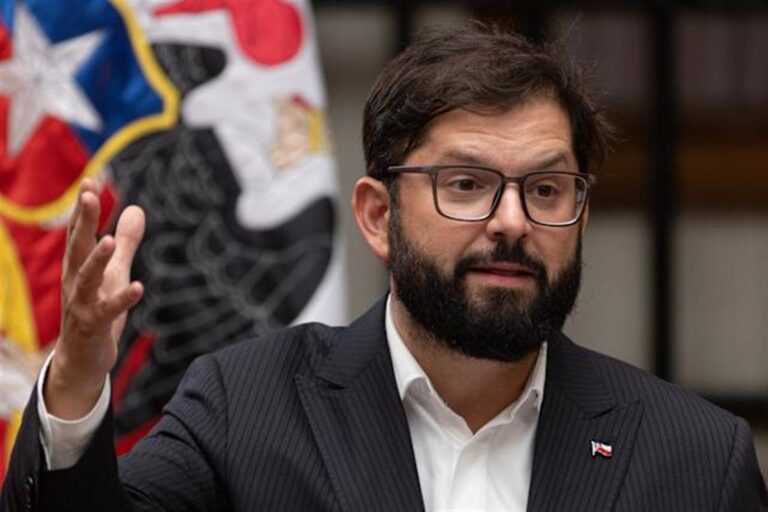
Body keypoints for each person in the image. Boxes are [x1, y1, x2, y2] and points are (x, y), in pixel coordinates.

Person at [2, 23, 766, 512]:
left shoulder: (694, 457)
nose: (512, 221)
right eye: (465, 184)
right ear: (377, 216)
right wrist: (76, 383)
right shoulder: (248, 409)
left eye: (545, 190)